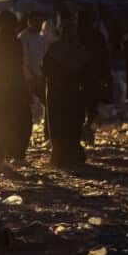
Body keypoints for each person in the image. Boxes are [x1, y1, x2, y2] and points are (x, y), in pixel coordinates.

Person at [0, 11, 31, 169]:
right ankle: (10, 155)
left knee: (0, 123)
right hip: (9, 88)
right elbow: (16, 69)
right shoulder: (10, 43)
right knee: (14, 122)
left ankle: (2, 155)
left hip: (1, 88)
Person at [43, 14, 89, 167]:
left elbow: (46, 69)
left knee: (67, 124)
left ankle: (65, 154)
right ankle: (64, 154)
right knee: (64, 124)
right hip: (64, 92)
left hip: (65, 92)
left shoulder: (74, 48)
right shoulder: (71, 48)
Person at [79, 9, 113, 145]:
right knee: (91, 109)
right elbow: (105, 58)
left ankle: (84, 133)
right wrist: (106, 76)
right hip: (92, 77)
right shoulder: (97, 36)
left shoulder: (77, 35)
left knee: (83, 108)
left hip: (81, 77)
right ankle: (87, 132)